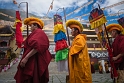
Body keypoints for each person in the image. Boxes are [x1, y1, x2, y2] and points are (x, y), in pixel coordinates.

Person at [14, 17, 52, 83]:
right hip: (33, 58)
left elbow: (37, 46)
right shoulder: (36, 33)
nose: (30, 28)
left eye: (31, 26)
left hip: (34, 59)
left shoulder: (39, 32)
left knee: (34, 77)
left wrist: (26, 58)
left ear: (35, 25)